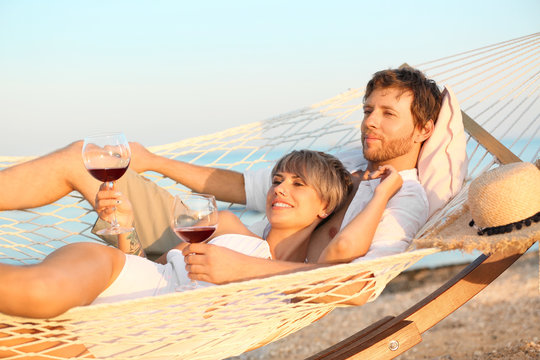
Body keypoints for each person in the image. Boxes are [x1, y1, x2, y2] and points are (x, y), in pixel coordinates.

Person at [0, 66, 441, 290]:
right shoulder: (348, 158)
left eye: (388, 115)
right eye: (367, 111)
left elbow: (354, 281)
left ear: (423, 130)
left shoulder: (407, 198)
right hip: (216, 244)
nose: (370, 123)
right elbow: (245, 188)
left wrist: (244, 267)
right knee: (86, 157)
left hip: (238, 272)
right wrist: (155, 162)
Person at [0, 149, 405, 319]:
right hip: (115, 277)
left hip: (138, 323)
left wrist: (384, 190)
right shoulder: (227, 225)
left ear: (325, 208)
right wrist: (122, 222)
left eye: (298, 184)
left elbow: (349, 271)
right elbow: (148, 265)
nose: (280, 188)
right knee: (38, 293)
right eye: (278, 180)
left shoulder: (300, 275)